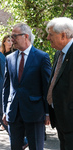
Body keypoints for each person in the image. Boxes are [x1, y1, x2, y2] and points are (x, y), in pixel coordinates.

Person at [2, 23, 51, 150]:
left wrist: (47, 112)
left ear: (26, 36)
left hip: (35, 113)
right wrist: (4, 110)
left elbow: (46, 87)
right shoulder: (9, 58)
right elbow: (6, 87)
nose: (12, 40)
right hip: (14, 113)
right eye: (11, 37)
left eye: (14, 36)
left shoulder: (42, 57)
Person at [46, 17, 73, 150]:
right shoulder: (59, 53)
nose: (47, 38)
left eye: (51, 34)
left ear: (63, 35)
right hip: (60, 118)